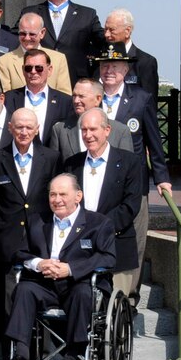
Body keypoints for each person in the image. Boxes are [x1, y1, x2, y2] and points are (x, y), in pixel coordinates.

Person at [1, 174, 116, 360]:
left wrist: (71, 268)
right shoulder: (37, 220)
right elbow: (20, 253)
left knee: (83, 294)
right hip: (44, 285)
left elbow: (107, 258)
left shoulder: (98, 223)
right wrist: (39, 263)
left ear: (78, 196)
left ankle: (73, 358)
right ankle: (21, 356)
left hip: (78, 284)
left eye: (63, 194)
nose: (57, 199)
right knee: (24, 289)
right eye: (52, 194)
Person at [95, 47, 171, 299]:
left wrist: (162, 177)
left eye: (115, 66)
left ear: (126, 70)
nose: (109, 71)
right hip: (96, 180)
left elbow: (153, 139)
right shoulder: (91, 97)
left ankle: (129, 297)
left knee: (134, 239)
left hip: (132, 181)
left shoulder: (141, 98)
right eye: (104, 65)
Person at [62, 109, 144, 298]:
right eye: (83, 130)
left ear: (107, 130)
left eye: (93, 129)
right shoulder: (72, 164)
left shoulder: (129, 162)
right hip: (78, 250)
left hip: (117, 246)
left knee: (117, 308)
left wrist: (98, 230)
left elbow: (130, 206)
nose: (88, 135)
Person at [0, 109, 63, 310]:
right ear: (10, 128)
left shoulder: (52, 158)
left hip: (41, 237)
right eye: (19, 127)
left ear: (37, 130)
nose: (24, 131)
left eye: (29, 127)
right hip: (6, 240)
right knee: (7, 300)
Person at [19, 0, 104, 80]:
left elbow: (102, 42)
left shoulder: (87, 15)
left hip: (75, 79)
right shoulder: (31, 12)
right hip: (38, 76)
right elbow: (15, 37)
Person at [48, 78, 133, 158]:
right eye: (74, 96)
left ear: (98, 99)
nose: (76, 101)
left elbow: (127, 167)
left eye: (81, 96)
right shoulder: (60, 130)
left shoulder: (120, 131)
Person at [3, 48, 76, 142]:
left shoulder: (66, 102)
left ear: (49, 70)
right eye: (28, 68)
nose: (33, 72)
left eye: (39, 68)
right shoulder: (8, 98)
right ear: (23, 70)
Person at [0, 12, 72, 94]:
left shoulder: (58, 59)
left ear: (42, 33)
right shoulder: (4, 62)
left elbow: (65, 97)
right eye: (23, 34)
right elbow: (5, 98)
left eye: (32, 34)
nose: (27, 38)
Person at [101, 8, 159, 94]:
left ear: (127, 31)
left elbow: (149, 103)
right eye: (105, 29)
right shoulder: (99, 59)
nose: (106, 34)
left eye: (111, 30)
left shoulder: (145, 62)